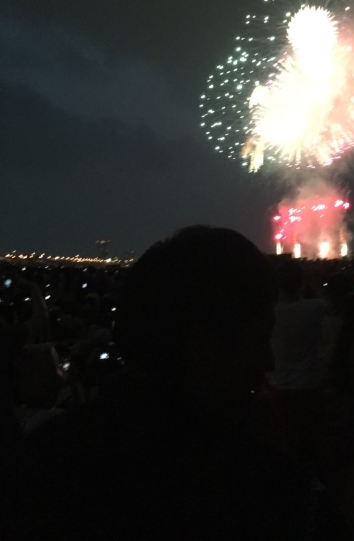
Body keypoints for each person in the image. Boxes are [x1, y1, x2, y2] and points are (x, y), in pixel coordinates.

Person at [7, 226, 337, 540]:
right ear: (203, 348)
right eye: (259, 339)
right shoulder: (264, 492)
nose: (268, 362)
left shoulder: (44, 460)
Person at [267, 259, 328, 467]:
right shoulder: (316, 307)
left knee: (286, 442)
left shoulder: (270, 313)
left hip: (280, 386)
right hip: (312, 383)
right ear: (301, 282)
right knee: (314, 440)